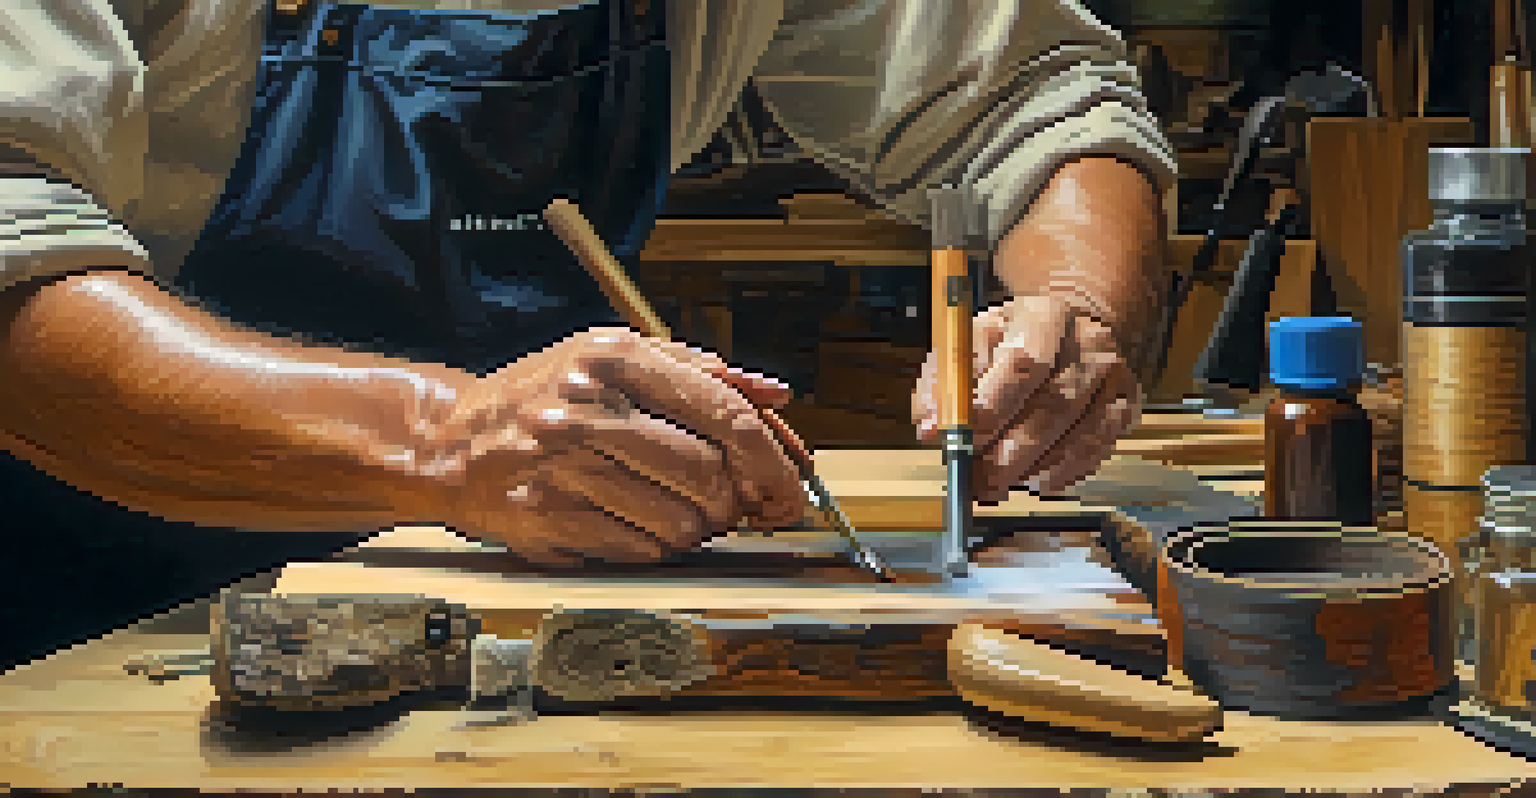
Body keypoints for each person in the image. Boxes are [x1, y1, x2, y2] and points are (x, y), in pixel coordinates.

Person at [0, 0, 1177, 670]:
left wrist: (1077, 309)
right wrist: (446, 437)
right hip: (103, 608)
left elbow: (1039, 97)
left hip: (532, 612)